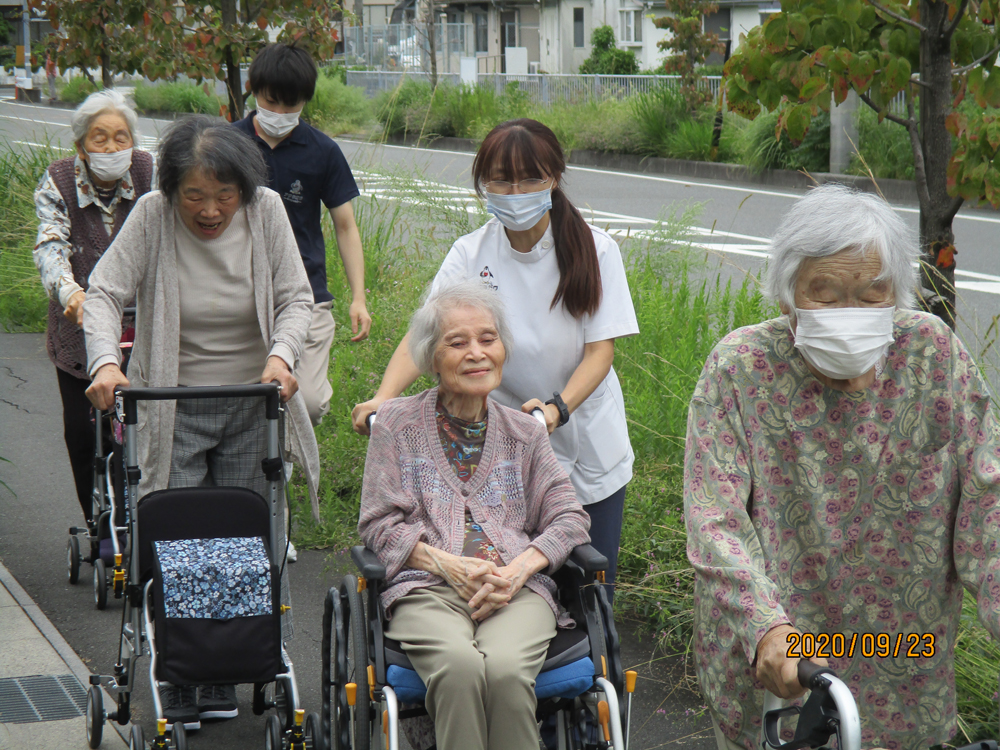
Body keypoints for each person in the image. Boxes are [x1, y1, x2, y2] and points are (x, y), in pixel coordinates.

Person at [684, 184, 1000, 750]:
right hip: (783, 663)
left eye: (871, 294)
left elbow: (989, 500)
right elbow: (716, 521)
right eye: (825, 295)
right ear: (788, 299)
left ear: (897, 297)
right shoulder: (740, 368)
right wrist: (767, 627)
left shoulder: (932, 355)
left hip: (906, 660)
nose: (849, 312)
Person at [83, 115, 321, 731]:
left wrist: (281, 355)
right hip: (172, 403)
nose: (210, 209)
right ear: (171, 191)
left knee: (244, 541)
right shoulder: (152, 217)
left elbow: (297, 298)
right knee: (179, 538)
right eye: (194, 195)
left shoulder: (266, 211)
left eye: (223, 196)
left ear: (244, 189)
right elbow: (105, 291)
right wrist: (108, 363)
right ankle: (182, 671)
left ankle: (224, 669)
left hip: (252, 400)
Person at [353, 118, 638, 594]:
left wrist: (555, 410)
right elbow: (425, 333)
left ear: (553, 179)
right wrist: (384, 397)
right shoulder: (471, 252)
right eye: (500, 179)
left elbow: (599, 353)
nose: (514, 190)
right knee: (517, 580)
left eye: (530, 178)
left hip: (585, 440)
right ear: (483, 184)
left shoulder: (595, 249)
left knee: (589, 590)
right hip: (509, 446)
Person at [359, 280, 591, 750]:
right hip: (427, 591)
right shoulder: (397, 426)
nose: (476, 353)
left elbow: (569, 517)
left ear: (503, 349)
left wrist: (519, 568)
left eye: (488, 339)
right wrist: (448, 564)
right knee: (460, 668)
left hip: (516, 591)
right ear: (430, 356)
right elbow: (378, 524)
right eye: (457, 342)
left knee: (506, 672)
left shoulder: (524, 432)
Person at [33, 89, 154, 529]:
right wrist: (71, 293)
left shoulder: (146, 172)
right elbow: (50, 244)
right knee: (84, 435)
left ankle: (142, 521)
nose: (110, 148)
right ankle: (96, 525)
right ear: (81, 145)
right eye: (99, 138)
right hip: (77, 330)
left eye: (121, 138)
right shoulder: (59, 180)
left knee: (140, 434)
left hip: (141, 329)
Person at [234, 43, 371, 428]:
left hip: (308, 293)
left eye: (290, 105)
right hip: (241, 291)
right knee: (247, 402)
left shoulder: (322, 151)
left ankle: (288, 466)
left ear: (306, 101)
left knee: (306, 404)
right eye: (271, 101)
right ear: (253, 89)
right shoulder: (226, 145)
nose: (279, 113)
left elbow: (345, 225)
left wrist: (358, 296)